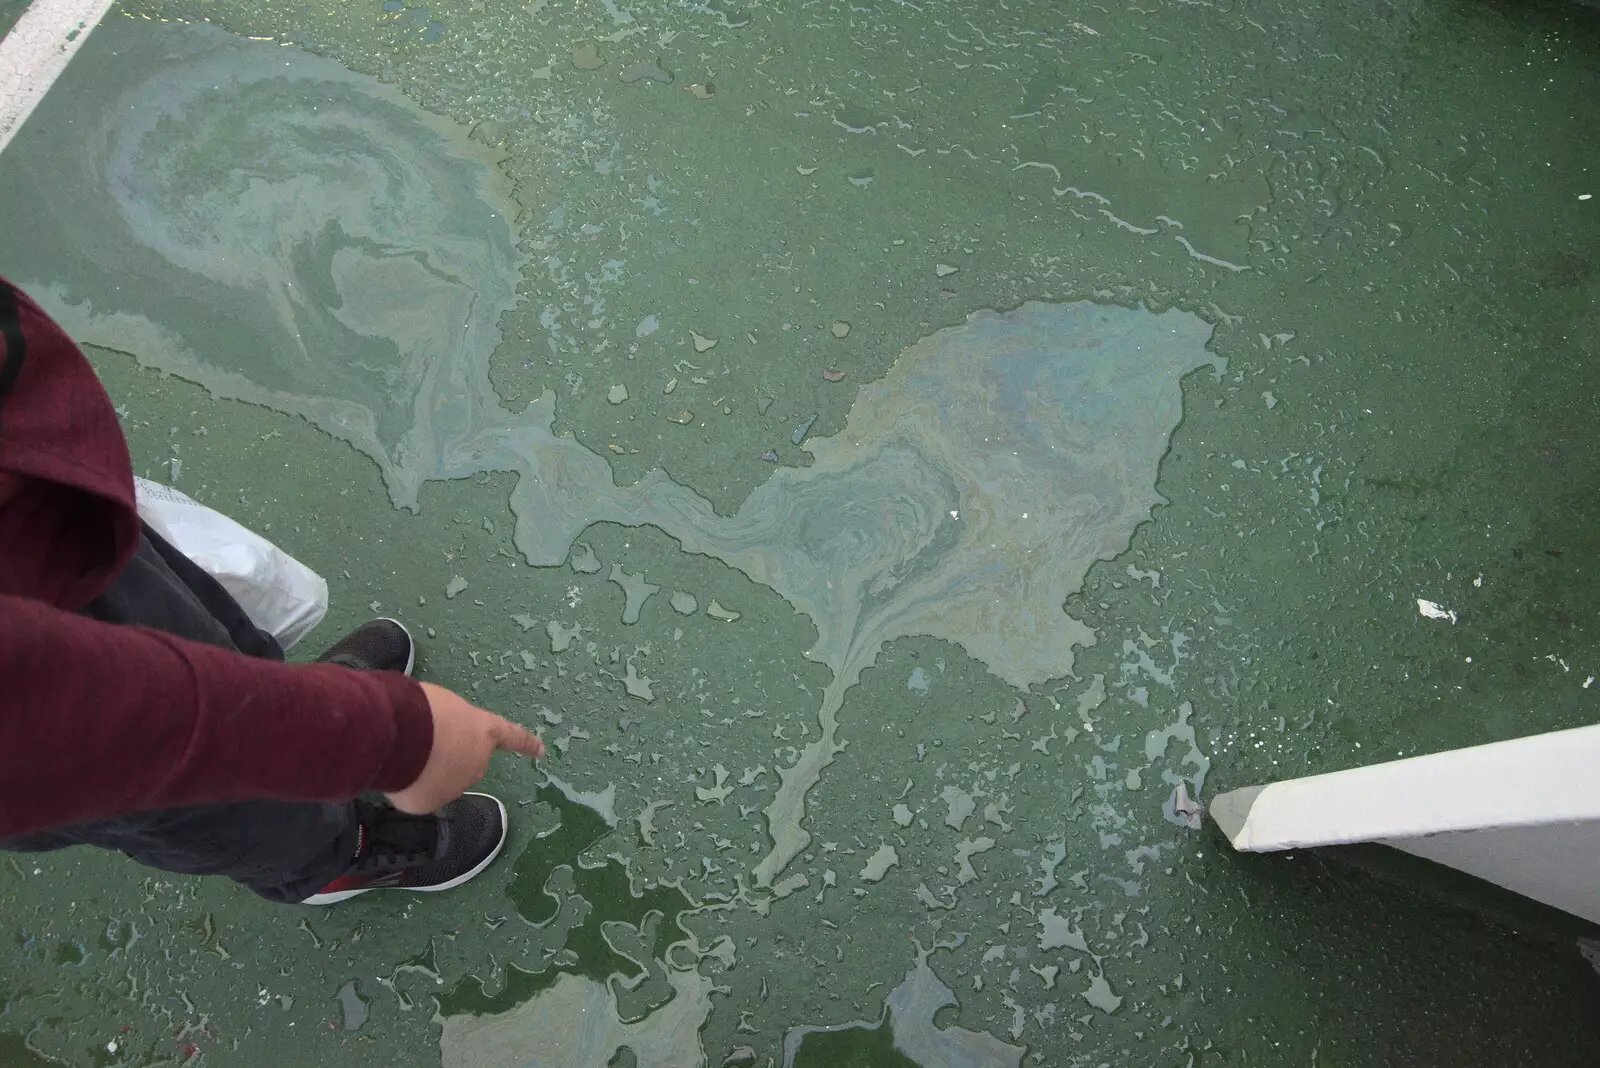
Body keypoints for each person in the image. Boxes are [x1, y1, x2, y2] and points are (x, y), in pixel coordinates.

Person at [0, 277, 546, 905]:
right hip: (53, 722)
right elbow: (71, 713)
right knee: (210, 800)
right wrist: (386, 735)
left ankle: (276, 698)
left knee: (197, 626)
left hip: (39, 516)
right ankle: (336, 857)